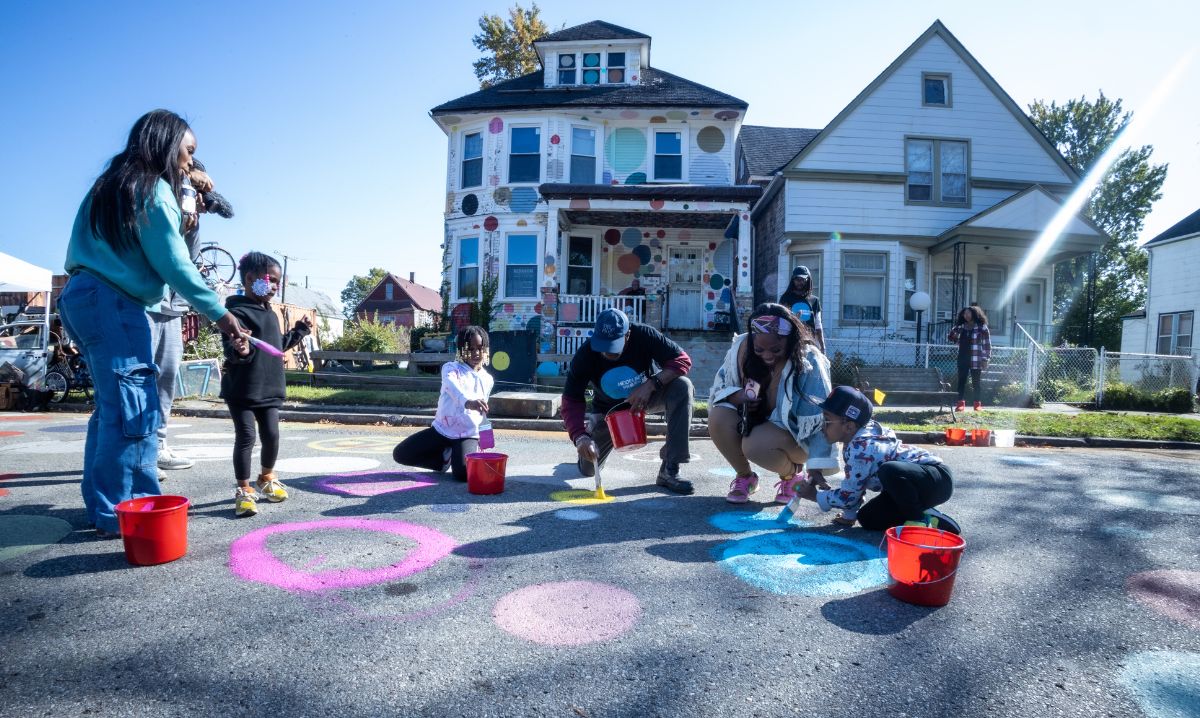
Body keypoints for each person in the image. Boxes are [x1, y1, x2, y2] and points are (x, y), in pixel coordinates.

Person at [58, 109, 246, 538]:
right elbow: (175, 264)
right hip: (114, 303)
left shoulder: (110, 184)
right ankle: (132, 509)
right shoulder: (153, 189)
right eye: (188, 151)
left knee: (112, 407)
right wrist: (221, 314)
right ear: (166, 143)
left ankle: (104, 505)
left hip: (81, 296)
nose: (191, 161)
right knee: (135, 410)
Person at [708, 303, 838, 504]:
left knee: (755, 445)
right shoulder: (741, 348)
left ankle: (791, 476)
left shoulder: (809, 359)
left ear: (791, 340)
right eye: (759, 349)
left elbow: (820, 419)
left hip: (796, 439)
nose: (767, 355)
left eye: (776, 349)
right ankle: (745, 477)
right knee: (719, 417)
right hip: (758, 426)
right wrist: (737, 397)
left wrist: (816, 467)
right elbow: (720, 388)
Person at [149, 160, 231, 474]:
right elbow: (168, 258)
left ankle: (157, 447)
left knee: (166, 377)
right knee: (139, 380)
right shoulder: (158, 197)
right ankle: (136, 455)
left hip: (173, 308)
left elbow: (190, 259)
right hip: (146, 303)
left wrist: (192, 223)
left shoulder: (189, 215)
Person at [791, 386, 960, 533]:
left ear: (849, 426)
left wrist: (815, 495)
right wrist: (849, 516)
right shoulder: (854, 439)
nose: (821, 426)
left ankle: (918, 520)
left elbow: (849, 496)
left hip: (937, 479)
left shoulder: (862, 446)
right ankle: (927, 514)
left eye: (826, 420)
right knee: (868, 518)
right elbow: (856, 485)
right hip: (910, 487)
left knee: (890, 470)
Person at [562, 308, 695, 494]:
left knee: (682, 387)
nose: (608, 352)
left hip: (645, 399)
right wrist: (580, 437)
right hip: (608, 412)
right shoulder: (585, 354)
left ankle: (670, 469)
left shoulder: (644, 335)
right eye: (603, 346)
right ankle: (591, 437)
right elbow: (571, 400)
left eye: (614, 346)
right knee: (588, 469)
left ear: (628, 335)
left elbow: (682, 360)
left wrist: (652, 384)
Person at [220, 251, 310, 517]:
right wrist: (242, 350)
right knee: (246, 437)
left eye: (278, 282)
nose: (274, 287)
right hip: (242, 390)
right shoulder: (234, 313)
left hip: (269, 388)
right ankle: (244, 489)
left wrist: (299, 330)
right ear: (250, 279)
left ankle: (266, 477)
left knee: (271, 435)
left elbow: (276, 346)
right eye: (271, 280)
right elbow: (232, 350)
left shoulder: (270, 314)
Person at [392, 325, 494, 482]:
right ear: (461, 350)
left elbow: (483, 412)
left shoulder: (487, 379)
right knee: (400, 454)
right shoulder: (450, 368)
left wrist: (486, 438)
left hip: (467, 434)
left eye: (480, 348)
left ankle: (456, 455)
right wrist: (468, 402)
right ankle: (442, 461)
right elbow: (453, 388)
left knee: (463, 475)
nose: (476, 353)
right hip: (441, 430)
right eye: (470, 349)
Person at [948, 305, 991, 411]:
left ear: (974, 314)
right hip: (962, 357)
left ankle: (977, 404)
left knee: (976, 382)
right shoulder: (961, 327)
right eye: (964, 313)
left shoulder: (982, 327)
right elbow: (951, 337)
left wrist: (985, 359)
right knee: (961, 381)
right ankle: (960, 404)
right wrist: (955, 334)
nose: (966, 315)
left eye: (968, 313)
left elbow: (987, 345)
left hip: (976, 358)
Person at [778, 265, 825, 352]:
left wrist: (822, 346)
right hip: (791, 343)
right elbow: (782, 324)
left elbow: (818, 325)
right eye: (797, 279)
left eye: (802, 279)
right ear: (793, 280)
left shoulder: (814, 300)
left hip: (810, 344)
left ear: (808, 280)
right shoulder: (785, 299)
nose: (799, 282)